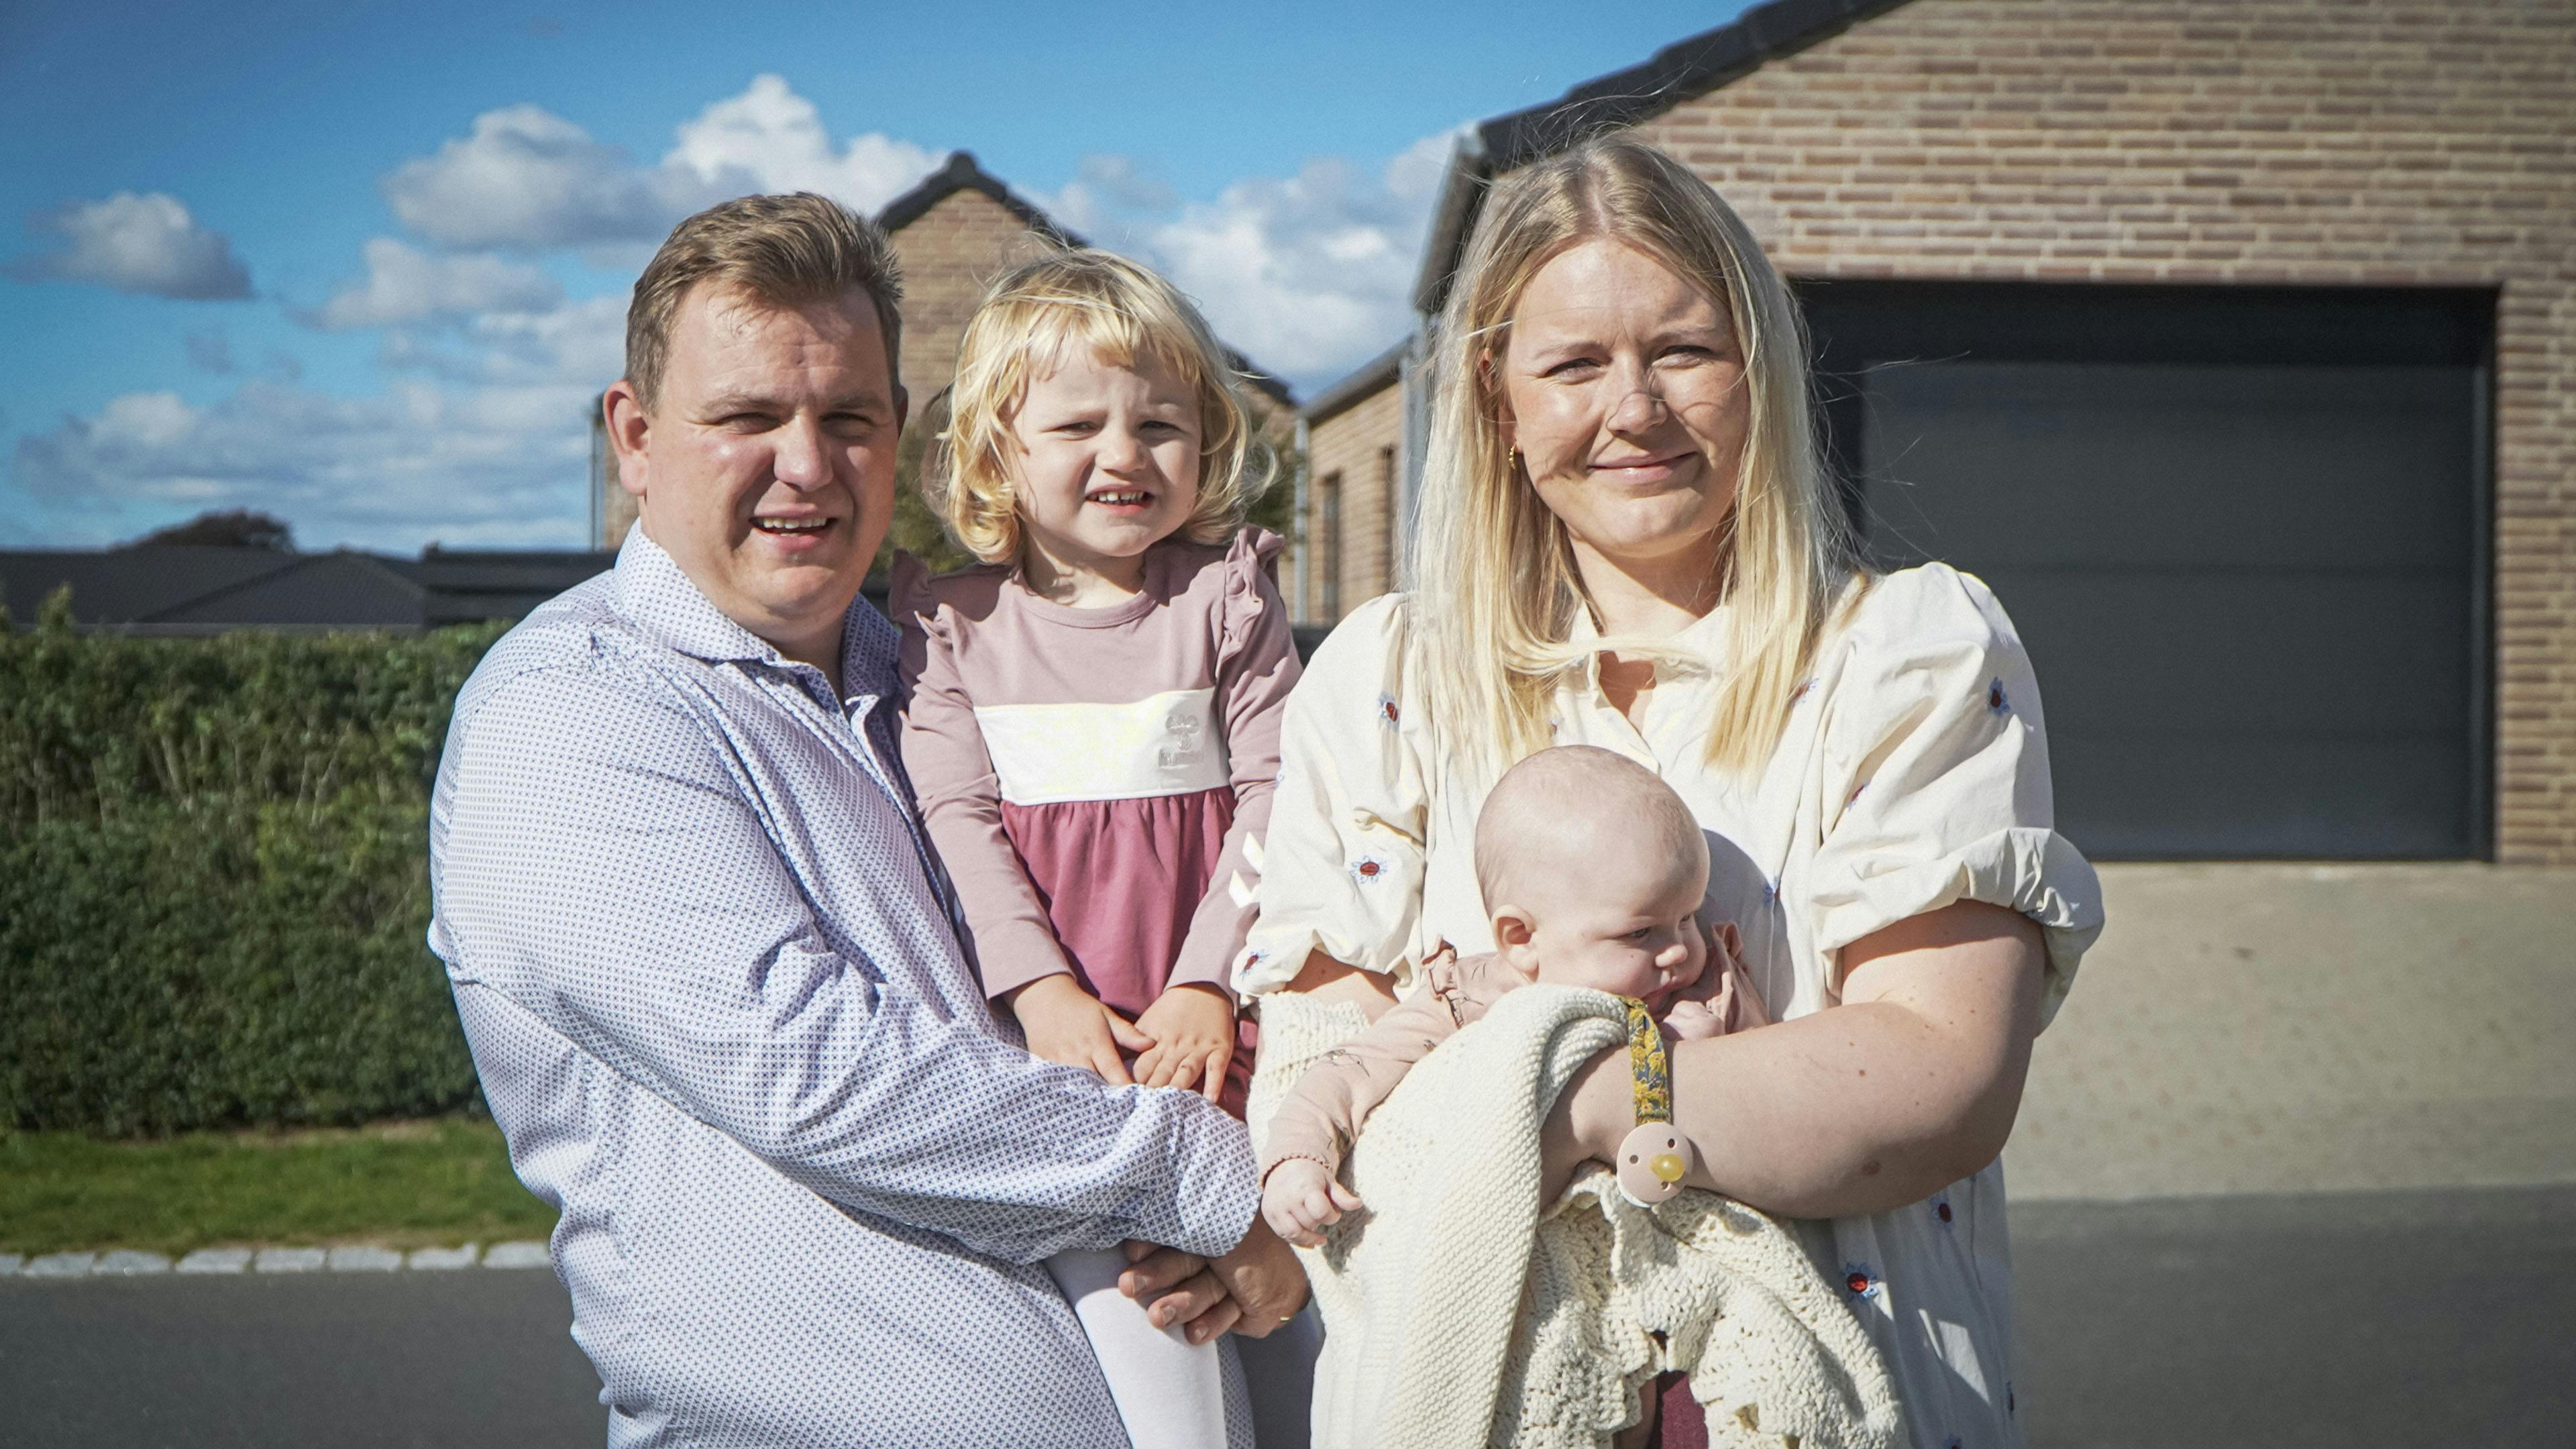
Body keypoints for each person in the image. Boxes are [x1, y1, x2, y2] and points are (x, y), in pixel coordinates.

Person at [1236, 140, 2103, 1449]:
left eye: (1685, 352)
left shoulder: (1907, 655)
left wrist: (1575, 1098)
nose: (1633, 409)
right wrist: (1731, 1087)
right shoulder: (1382, 676)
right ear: (1498, 395)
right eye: (1575, 364)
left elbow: (1931, 1077)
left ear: (1760, 367)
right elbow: (1315, 1078)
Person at [427, 192, 1301, 1449]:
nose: (806, 464)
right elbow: (816, 1070)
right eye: (744, 418)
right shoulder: (573, 714)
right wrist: (1209, 1185)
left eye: (849, 418)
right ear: (634, 435)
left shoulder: (927, 673)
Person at [892, 247, 1303, 1449]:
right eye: (1079, 423)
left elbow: (1288, 793)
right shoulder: (952, 628)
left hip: (1220, 1032)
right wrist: (1043, 991)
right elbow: (956, 821)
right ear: (996, 456)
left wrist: (1207, 983)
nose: (1124, 455)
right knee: (1149, 1348)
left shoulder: (1226, 598)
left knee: (1277, 1335)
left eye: (1159, 424)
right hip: (1066, 1055)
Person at [1258, 744, 1767, 1248]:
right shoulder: (1467, 1000)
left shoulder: (1706, 988)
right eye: (1640, 934)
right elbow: (1351, 1071)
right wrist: (1299, 1161)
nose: (1678, 950)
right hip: (1528, 1247)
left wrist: (1707, 1060)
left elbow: (1778, 1089)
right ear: (1522, 939)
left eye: (1687, 918)